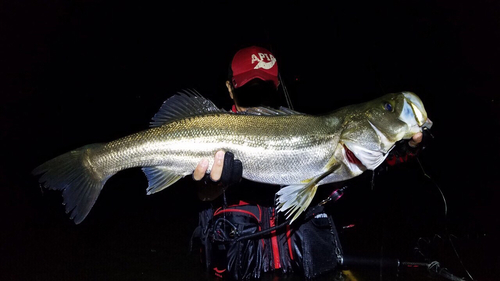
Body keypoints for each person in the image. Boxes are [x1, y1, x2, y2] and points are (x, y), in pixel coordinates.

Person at [190, 45, 427, 280]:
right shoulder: (208, 132)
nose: (255, 103)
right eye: (247, 92)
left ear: (277, 88)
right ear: (230, 89)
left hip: (299, 267)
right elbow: (203, 196)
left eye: (264, 91)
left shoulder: (301, 124)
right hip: (242, 268)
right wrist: (215, 184)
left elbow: (359, 166)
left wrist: (400, 150)